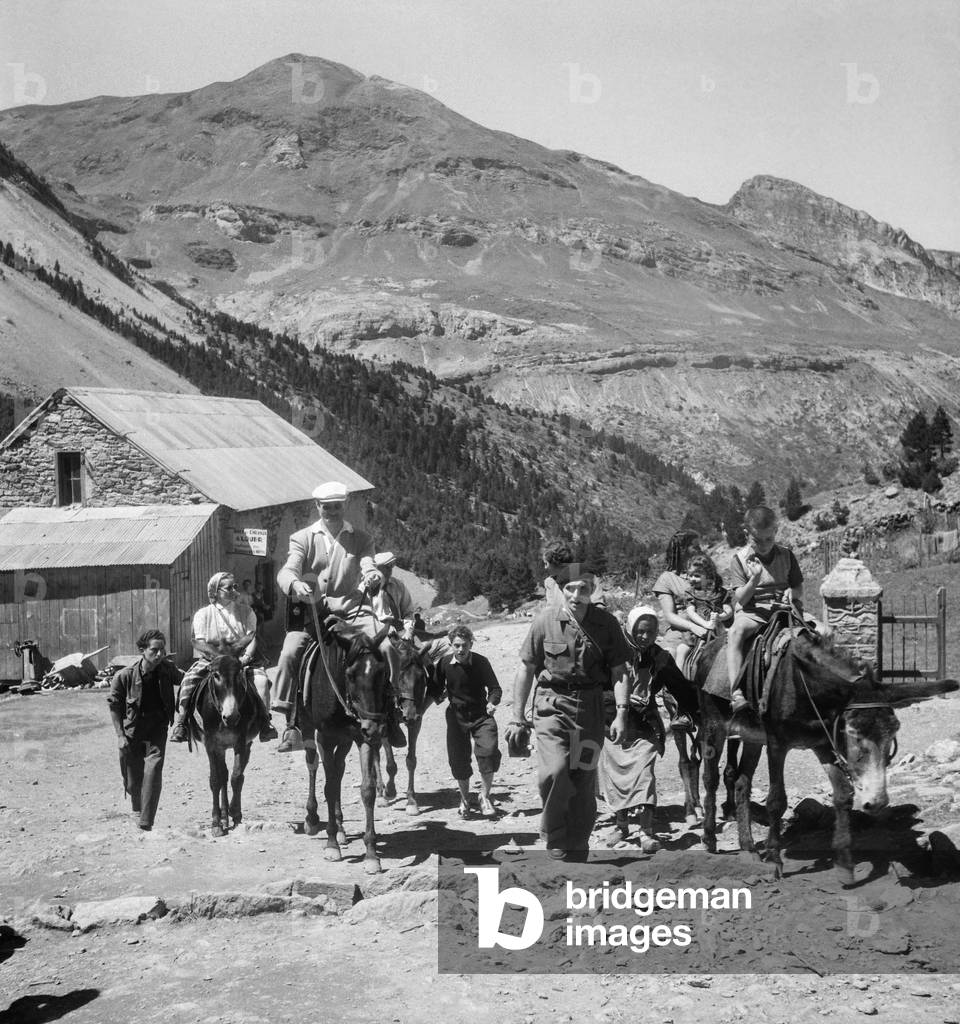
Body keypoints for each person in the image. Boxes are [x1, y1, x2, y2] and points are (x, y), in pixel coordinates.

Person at [506, 561, 631, 861]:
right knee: (555, 771)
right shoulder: (544, 621)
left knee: (583, 778)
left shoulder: (606, 624)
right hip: (552, 706)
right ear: (561, 590)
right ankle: (555, 836)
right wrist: (517, 716)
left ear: (592, 590)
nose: (576, 595)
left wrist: (622, 713)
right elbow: (526, 667)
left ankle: (578, 843)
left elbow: (619, 671)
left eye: (583, 588)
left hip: (590, 708)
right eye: (570, 588)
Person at [271, 481, 385, 752]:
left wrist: (372, 575)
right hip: (314, 612)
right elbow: (288, 569)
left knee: (387, 646)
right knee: (289, 653)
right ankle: (291, 720)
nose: (332, 511)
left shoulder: (362, 538)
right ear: (317, 506)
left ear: (344, 506)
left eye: (337, 507)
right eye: (327, 507)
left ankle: (389, 709)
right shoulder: (302, 538)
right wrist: (294, 584)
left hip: (351, 611)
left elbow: (368, 564)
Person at [599, 606, 689, 853]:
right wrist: (621, 699)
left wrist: (698, 707)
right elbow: (598, 686)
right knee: (616, 778)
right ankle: (622, 826)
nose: (645, 637)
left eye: (650, 632)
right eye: (639, 631)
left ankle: (646, 832)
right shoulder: (611, 654)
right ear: (629, 628)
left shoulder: (660, 657)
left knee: (645, 777)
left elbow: (681, 687)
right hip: (613, 725)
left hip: (646, 726)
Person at [170, 571, 277, 744]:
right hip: (212, 659)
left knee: (261, 681)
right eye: (229, 588)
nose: (234, 590)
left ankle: (265, 722)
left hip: (240, 658)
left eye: (235, 586)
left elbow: (252, 638)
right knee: (189, 680)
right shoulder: (203, 614)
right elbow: (200, 642)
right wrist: (216, 659)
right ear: (216, 591)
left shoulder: (247, 611)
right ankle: (182, 722)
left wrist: (246, 658)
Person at [727, 506, 804, 714]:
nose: (763, 545)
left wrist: (792, 592)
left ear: (776, 531)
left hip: (785, 609)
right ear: (747, 534)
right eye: (757, 540)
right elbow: (741, 598)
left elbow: (798, 588)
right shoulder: (739, 559)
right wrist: (754, 579)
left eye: (769, 539)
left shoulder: (787, 555)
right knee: (735, 632)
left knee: (824, 632)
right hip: (754, 611)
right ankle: (736, 693)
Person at [107, 629, 179, 831]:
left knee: (153, 771)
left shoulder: (167, 670)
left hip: (157, 728)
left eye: (162, 650)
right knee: (132, 781)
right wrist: (120, 736)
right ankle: (136, 808)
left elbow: (187, 679)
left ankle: (146, 822)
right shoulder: (124, 676)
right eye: (154, 650)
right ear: (142, 650)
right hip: (133, 731)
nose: (160, 654)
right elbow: (114, 706)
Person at [436, 625, 502, 818]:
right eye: (457, 645)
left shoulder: (481, 662)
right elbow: (434, 688)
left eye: (465, 645)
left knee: (488, 752)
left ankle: (484, 797)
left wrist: (492, 702)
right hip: (456, 716)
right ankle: (464, 799)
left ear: (471, 644)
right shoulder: (444, 664)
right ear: (451, 645)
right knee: (458, 759)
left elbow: (495, 688)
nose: (461, 649)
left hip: (481, 714)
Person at [652, 530, 708, 659]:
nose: (700, 550)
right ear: (682, 549)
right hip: (681, 630)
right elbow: (670, 616)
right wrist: (693, 627)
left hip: (709, 623)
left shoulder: (705, 573)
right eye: (695, 547)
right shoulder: (667, 579)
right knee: (668, 658)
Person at [675, 554, 733, 675]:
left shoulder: (721, 592)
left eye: (697, 576)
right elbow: (691, 612)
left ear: (709, 575)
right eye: (690, 575)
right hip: (697, 629)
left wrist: (720, 617)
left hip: (718, 628)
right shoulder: (690, 593)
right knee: (681, 650)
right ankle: (677, 679)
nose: (692, 579)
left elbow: (728, 610)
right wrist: (705, 624)